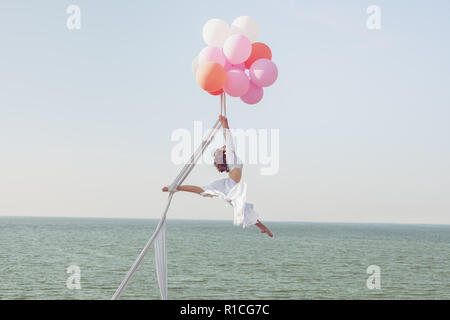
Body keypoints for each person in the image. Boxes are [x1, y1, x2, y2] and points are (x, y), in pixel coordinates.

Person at [162, 115, 273, 237]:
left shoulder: (232, 158)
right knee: (207, 193)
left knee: (236, 205)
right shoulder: (231, 156)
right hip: (230, 186)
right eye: (222, 148)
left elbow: (228, 141)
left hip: (230, 186)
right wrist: (225, 124)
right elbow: (229, 139)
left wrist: (225, 124)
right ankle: (175, 187)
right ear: (224, 152)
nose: (224, 146)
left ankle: (175, 187)